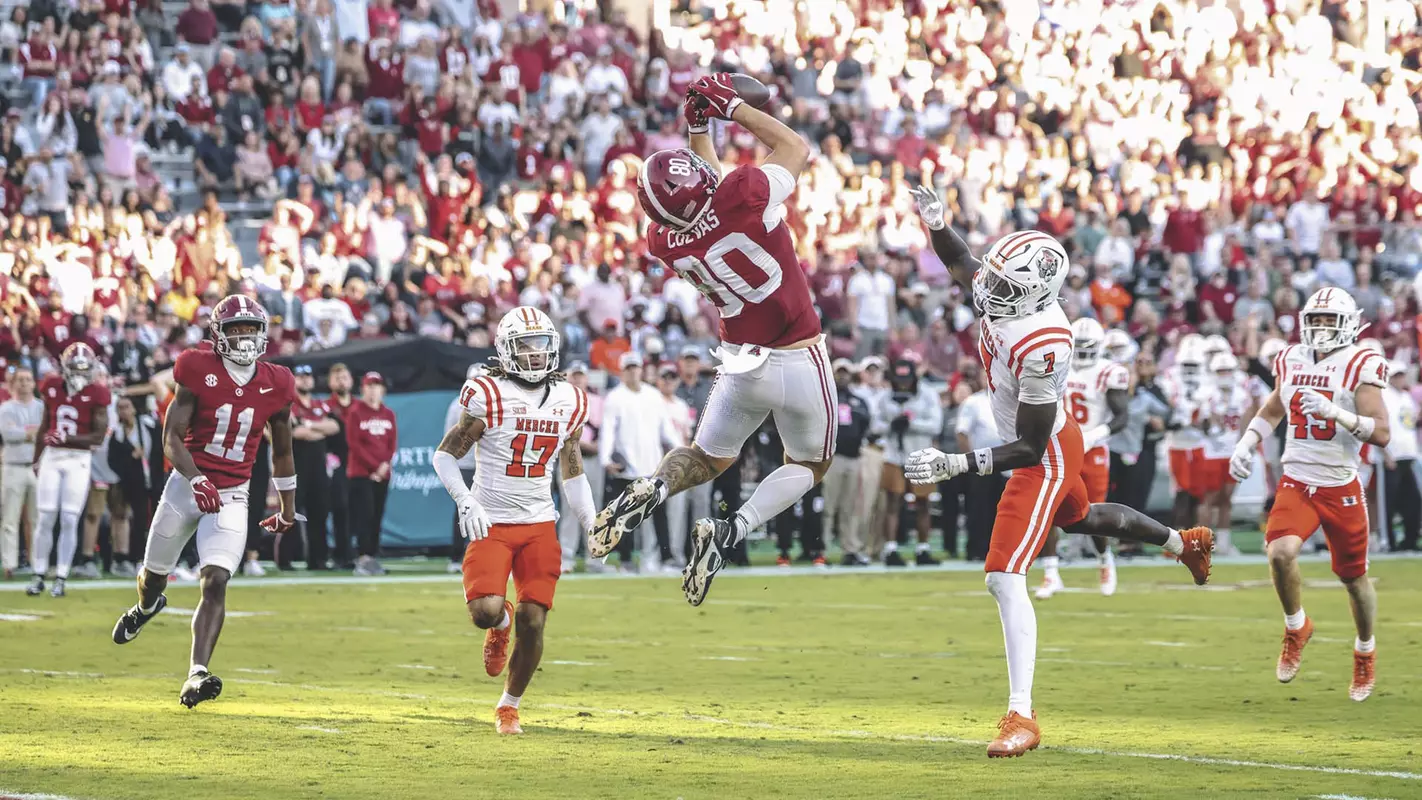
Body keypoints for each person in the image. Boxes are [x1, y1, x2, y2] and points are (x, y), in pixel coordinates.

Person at [905, 184, 1213, 757]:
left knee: (1003, 576)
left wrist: (955, 463)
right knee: (1082, 518)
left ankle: (1022, 715)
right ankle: (1183, 543)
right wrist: (938, 221)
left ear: (1037, 293)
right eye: (995, 280)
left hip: (1041, 450)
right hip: (1053, 434)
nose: (988, 290)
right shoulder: (1010, 291)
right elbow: (961, 262)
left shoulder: (1045, 339)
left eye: (1003, 287)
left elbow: (1027, 448)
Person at [593, 73, 835, 606]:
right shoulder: (742, 194)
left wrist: (697, 126)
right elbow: (795, 146)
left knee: (706, 456)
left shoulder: (664, 241)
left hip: (739, 363)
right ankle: (731, 530)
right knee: (810, 465)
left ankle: (653, 487)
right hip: (797, 354)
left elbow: (710, 193)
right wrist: (730, 107)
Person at [111, 296, 299, 709]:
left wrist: (287, 508)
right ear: (218, 335)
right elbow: (171, 438)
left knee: (215, 579)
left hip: (233, 493)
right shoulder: (196, 367)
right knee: (154, 576)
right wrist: (196, 478)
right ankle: (146, 606)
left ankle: (196, 673)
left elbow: (282, 452)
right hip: (185, 485)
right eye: (236, 329)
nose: (244, 337)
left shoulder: (279, 381)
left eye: (250, 329)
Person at [432, 305, 596, 735]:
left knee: (535, 619)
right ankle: (499, 625)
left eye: (542, 344)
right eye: (525, 345)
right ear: (507, 349)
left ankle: (509, 705)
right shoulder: (487, 392)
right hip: (493, 521)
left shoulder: (571, 399)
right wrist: (465, 501)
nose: (536, 354)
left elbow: (572, 468)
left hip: (541, 522)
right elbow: (445, 455)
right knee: (485, 612)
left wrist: (590, 520)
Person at [1228, 289, 1391, 703]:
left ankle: (1365, 650)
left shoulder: (1360, 363)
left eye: (1328, 320)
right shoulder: (1291, 357)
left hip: (1340, 484)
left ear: (1349, 323)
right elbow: (1271, 410)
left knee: (1353, 579)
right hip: (1297, 479)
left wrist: (1338, 412)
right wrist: (1246, 444)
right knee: (1280, 553)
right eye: (1315, 320)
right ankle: (1296, 625)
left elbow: (1383, 432)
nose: (1320, 328)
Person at [1035, 318, 1131, 598]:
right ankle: (1051, 573)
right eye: (1079, 346)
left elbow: (1122, 416)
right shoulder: (1056, 366)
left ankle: (1104, 560)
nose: (1084, 351)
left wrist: (1092, 436)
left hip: (1093, 446)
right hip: (1060, 445)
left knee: (1093, 513)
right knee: (1048, 508)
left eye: (1089, 346)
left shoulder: (1109, 372)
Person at [29, 343, 112, 597]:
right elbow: (45, 425)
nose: (79, 373)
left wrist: (66, 439)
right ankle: (38, 573)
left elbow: (98, 437)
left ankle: (62, 575)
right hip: (52, 457)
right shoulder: (52, 386)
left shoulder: (98, 392)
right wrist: (36, 458)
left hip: (79, 459)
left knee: (68, 518)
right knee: (45, 517)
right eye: (75, 367)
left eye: (84, 368)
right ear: (65, 367)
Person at [599, 352, 681, 571]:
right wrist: (606, 458)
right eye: (628, 368)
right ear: (622, 371)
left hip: (653, 468)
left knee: (659, 517)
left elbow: (667, 430)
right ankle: (626, 560)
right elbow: (608, 430)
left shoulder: (653, 396)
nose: (633, 371)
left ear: (641, 370)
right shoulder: (614, 397)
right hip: (625, 468)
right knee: (624, 518)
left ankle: (666, 559)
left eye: (636, 367)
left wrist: (680, 451)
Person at [875, 358, 943, 566]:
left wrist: (912, 423)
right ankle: (891, 549)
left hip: (920, 455)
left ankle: (923, 548)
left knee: (923, 502)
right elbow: (875, 424)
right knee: (893, 502)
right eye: (899, 379)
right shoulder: (885, 397)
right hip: (894, 454)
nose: (903, 383)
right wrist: (892, 425)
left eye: (907, 379)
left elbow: (935, 425)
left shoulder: (928, 394)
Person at [1198, 353, 1254, 556]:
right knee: (1209, 499)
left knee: (1227, 499)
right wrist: (1211, 420)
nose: (1224, 375)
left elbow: (1247, 424)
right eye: (1220, 371)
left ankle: (1223, 543)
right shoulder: (1206, 394)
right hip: (1212, 452)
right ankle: (1202, 544)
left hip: (1233, 452)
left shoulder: (1242, 395)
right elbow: (1200, 424)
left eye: (1227, 370)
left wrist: (1247, 449)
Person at [345, 372, 397, 576]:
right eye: (370, 385)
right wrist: (374, 466)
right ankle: (362, 557)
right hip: (361, 473)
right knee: (363, 516)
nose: (374, 389)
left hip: (382, 474)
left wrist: (384, 465)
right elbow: (354, 444)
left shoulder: (388, 414)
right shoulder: (356, 412)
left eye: (377, 385)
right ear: (363, 389)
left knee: (377, 515)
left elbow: (391, 443)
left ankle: (373, 557)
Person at [289, 364, 339, 570]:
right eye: (300, 377)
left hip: (318, 467)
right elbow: (294, 432)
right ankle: (287, 558)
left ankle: (318, 558)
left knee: (319, 512)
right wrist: (318, 427)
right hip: (295, 465)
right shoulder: (289, 404)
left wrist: (308, 424)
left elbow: (334, 426)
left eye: (308, 376)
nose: (305, 380)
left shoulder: (321, 404)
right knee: (290, 512)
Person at [823, 358, 872, 566]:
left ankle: (850, 549)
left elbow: (865, 425)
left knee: (850, 507)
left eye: (845, 372)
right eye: (839, 372)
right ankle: (821, 550)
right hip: (832, 459)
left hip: (853, 458)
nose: (842, 376)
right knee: (828, 506)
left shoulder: (859, 401)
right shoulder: (826, 398)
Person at [954, 362, 1004, 562]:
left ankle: (1001, 550)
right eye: (987, 375)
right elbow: (962, 432)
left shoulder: (1011, 400)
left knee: (1003, 509)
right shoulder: (973, 402)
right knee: (978, 508)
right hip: (982, 463)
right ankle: (976, 549)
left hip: (1008, 462)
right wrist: (971, 461)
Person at [106, 395, 157, 577]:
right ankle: (125, 557)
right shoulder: (117, 434)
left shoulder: (148, 426)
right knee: (126, 518)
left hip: (150, 479)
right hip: (129, 482)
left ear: (134, 408)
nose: (124, 411)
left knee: (146, 520)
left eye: (127, 406)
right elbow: (113, 461)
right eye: (120, 408)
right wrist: (131, 457)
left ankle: (143, 558)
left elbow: (158, 450)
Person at [0, 368, 43, 580]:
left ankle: (38, 564)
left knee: (37, 519)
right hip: (13, 465)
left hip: (36, 467)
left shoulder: (42, 407)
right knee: (10, 518)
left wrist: (24, 432)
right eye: (21, 380)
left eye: (28, 379)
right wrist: (30, 432)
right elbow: (8, 434)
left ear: (34, 384)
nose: (25, 383)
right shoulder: (6, 408)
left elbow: (44, 434)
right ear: (14, 384)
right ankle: (9, 564)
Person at [1164, 336, 1209, 528]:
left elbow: (1208, 420)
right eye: (1186, 364)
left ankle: (1193, 538)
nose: (1190, 369)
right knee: (1180, 493)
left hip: (1201, 443)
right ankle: (1177, 538)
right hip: (1178, 443)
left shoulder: (1209, 377)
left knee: (1198, 494)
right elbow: (1166, 409)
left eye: (1194, 364)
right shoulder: (1170, 377)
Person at [445, 364, 485, 574]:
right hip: (465, 466)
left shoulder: (496, 405)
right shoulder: (457, 406)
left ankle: (482, 556)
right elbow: (448, 440)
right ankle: (457, 556)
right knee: (464, 511)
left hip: (488, 467)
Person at [1381, 362, 1420, 551]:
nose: (1399, 379)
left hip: (1407, 454)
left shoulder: (1406, 397)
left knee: (1413, 501)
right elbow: (1379, 426)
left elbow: (1410, 422)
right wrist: (1385, 453)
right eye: (1396, 376)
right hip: (1391, 457)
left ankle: (1410, 540)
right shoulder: (1384, 397)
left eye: (1401, 375)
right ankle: (1389, 541)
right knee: (1389, 503)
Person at [325, 363, 356, 568]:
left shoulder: (359, 406)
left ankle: (356, 551)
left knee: (357, 508)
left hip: (358, 462)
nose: (341, 381)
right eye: (337, 377)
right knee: (340, 507)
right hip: (337, 462)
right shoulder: (326, 407)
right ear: (330, 382)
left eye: (344, 377)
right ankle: (339, 553)